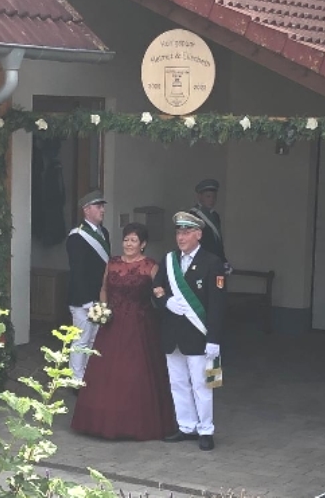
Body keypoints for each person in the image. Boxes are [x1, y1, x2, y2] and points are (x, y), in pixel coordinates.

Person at [71, 222, 176, 440]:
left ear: (143, 244)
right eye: (126, 240)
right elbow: (104, 288)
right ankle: (100, 420)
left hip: (140, 324)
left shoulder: (150, 266)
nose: (128, 244)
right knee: (105, 372)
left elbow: (160, 292)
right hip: (112, 323)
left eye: (134, 240)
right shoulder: (112, 263)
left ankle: (135, 422)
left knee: (134, 371)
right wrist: (102, 309)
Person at [153, 212, 226, 451]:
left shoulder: (212, 262)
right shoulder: (169, 259)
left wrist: (214, 339)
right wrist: (166, 302)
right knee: (178, 383)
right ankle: (186, 426)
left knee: (202, 385)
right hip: (172, 334)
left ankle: (205, 430)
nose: (181, 237)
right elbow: (156, 286)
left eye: (186, 232)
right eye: (178, 232)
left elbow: (217, 304)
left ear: (198, 234)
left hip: (199, 335)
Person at [66, 190, 111, 382]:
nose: (102, 210)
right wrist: (86, 301)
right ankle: (76, 381)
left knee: (95, 339)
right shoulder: (77, 236)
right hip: (83, 300)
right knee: (81, 340)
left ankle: (89, 377)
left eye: (102, 206)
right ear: (86, 210)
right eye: (98, 206)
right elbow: (77, 271)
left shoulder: (104, 233)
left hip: (99, 297)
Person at [190, 179, 232, 274]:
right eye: (208, 196)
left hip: (215, 262)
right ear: (199, 197)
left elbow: (217, 241)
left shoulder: (215, 216)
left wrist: (223, 260)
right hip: (202, 262)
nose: (212, 200)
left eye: (214, 197)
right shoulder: (193, 215)